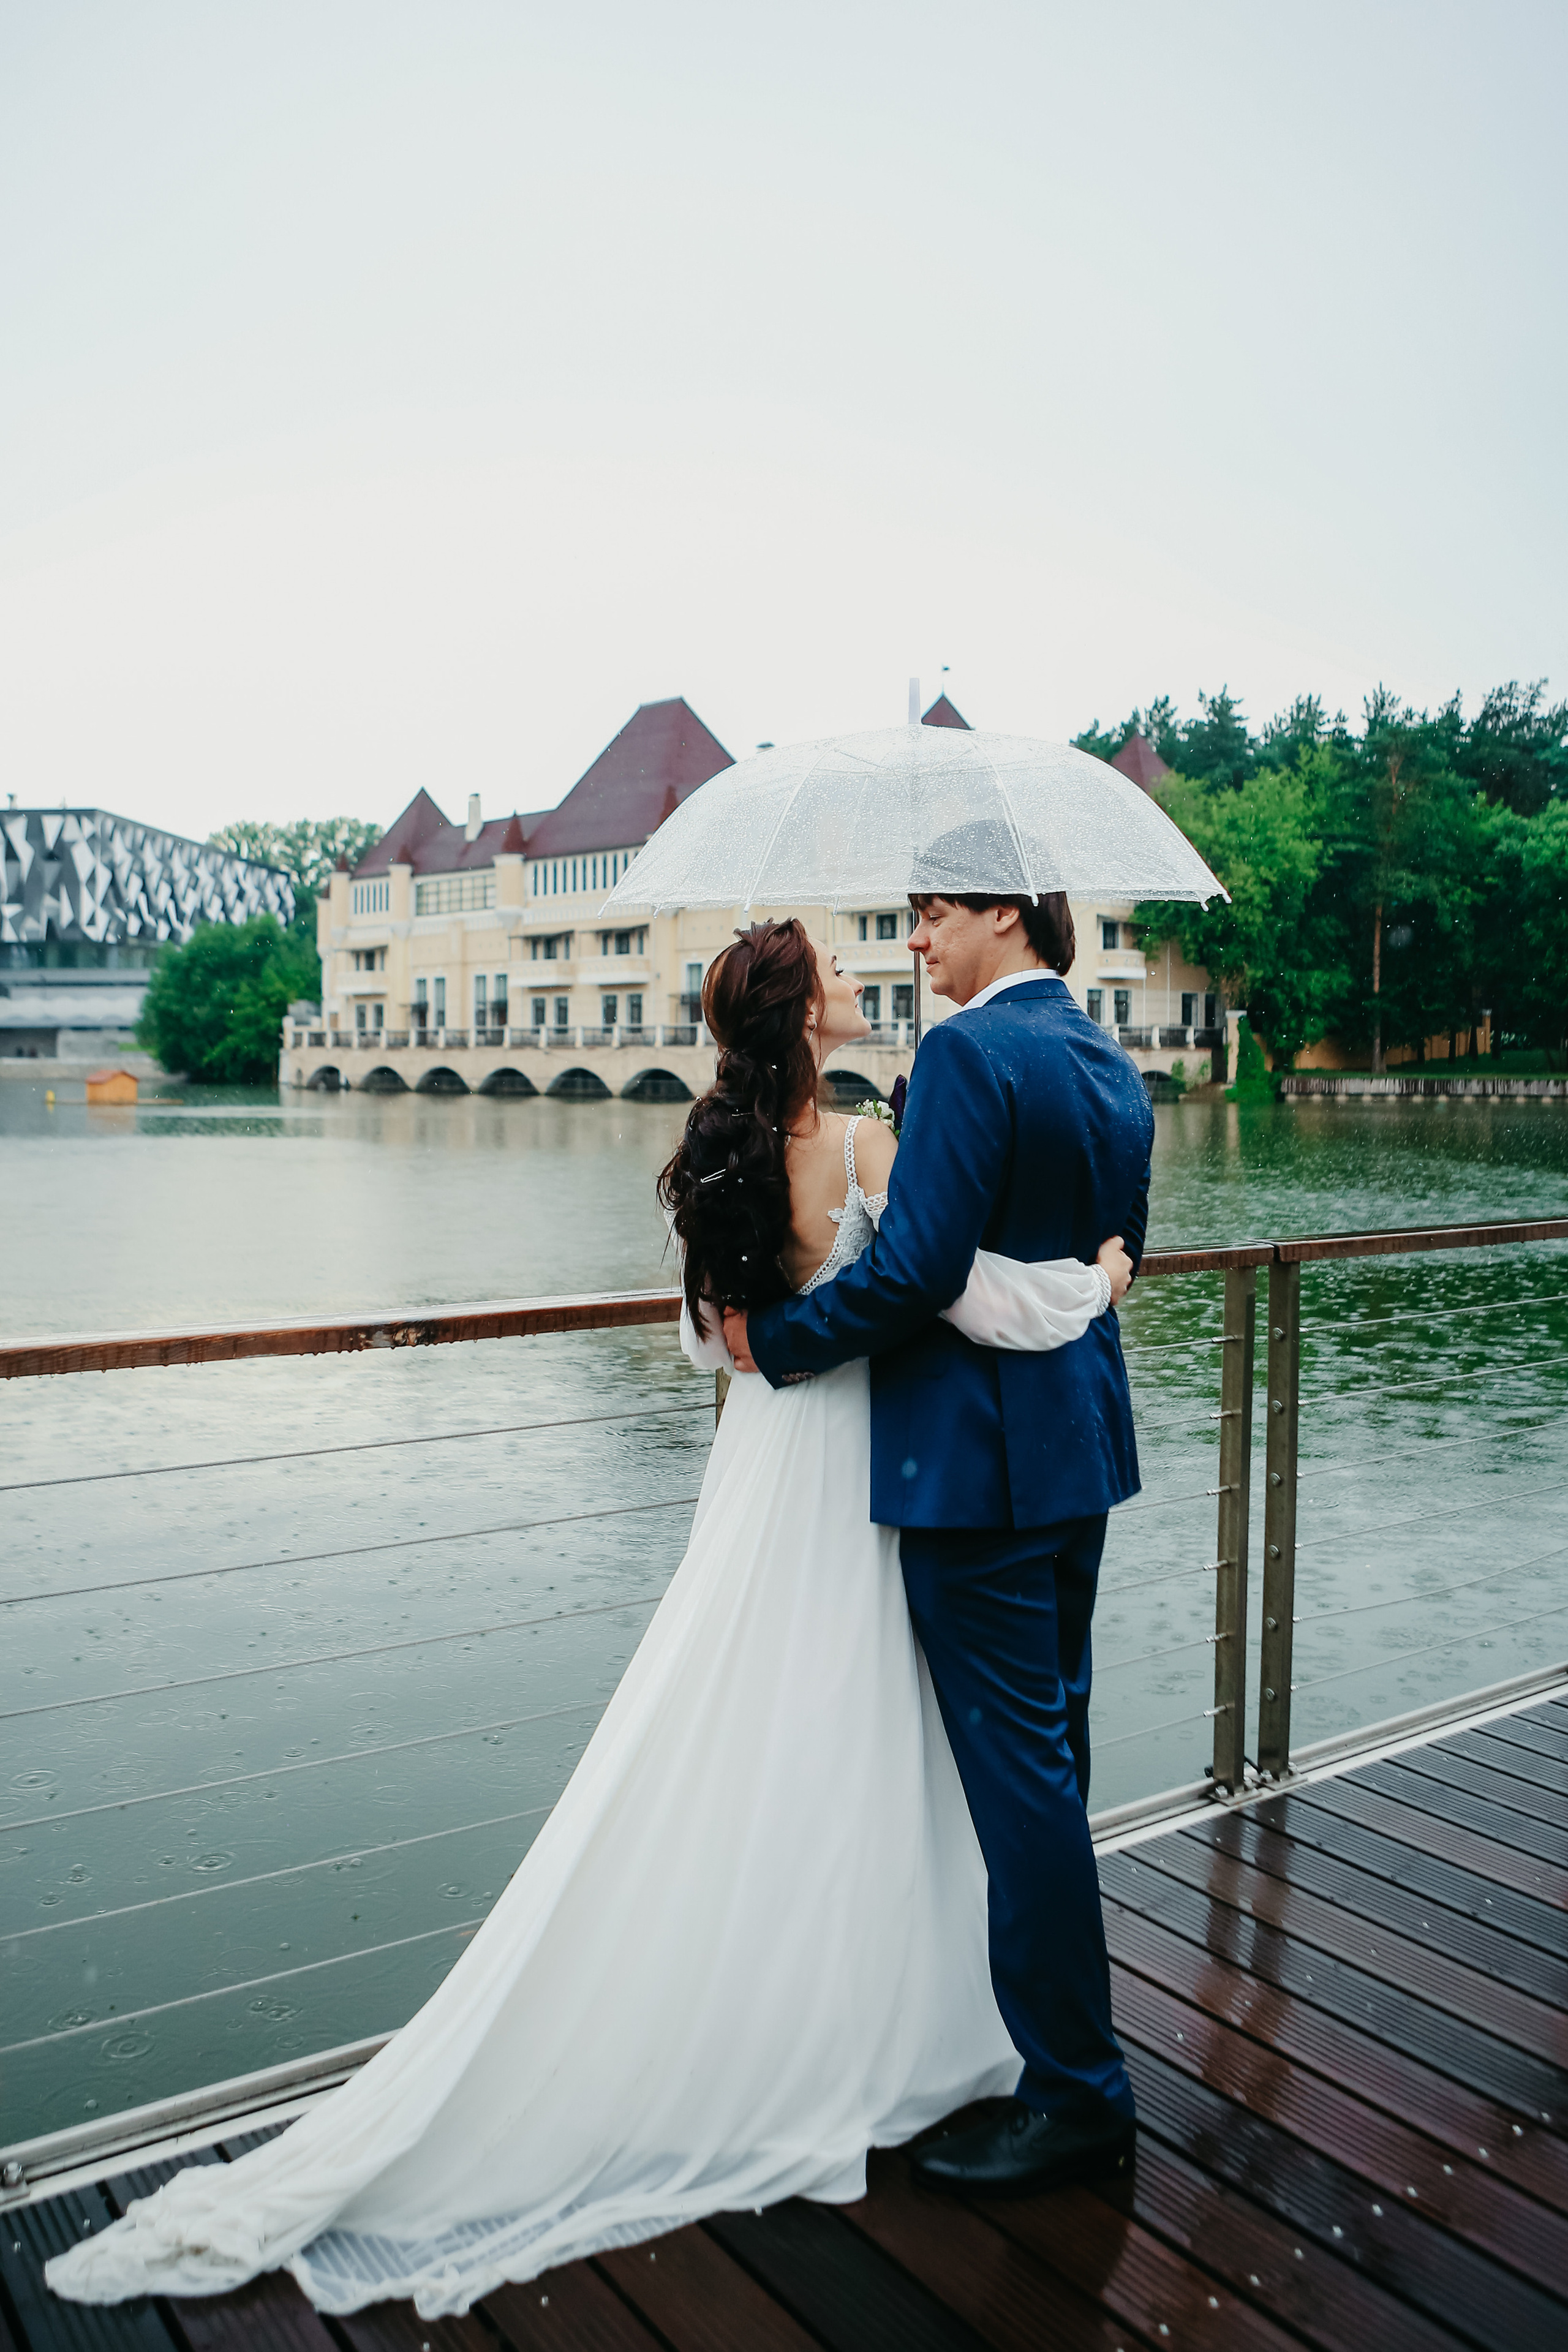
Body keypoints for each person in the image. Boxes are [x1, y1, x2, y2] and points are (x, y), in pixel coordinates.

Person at [48, 919, 1131, 2321]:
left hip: (773, 1466)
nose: (886, 958)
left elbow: (705, 1336)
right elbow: (964, 1296)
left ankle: (827, 2008)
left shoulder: (729, 1144)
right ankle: (918, 2018)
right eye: (846, 969)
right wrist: (1096, 1285)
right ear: (808, 1014)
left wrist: (760, 1345)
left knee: (756, 1725)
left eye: (913, 928)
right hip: (899, 1462)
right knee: (890, 1746)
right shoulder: (903, 1127)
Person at [726, 888, 1153, 2198]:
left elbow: (914, 1267)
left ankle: (1075, 2091)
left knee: (1018, 1781)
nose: (915, 941)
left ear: (1008, 921)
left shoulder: (967, 1052)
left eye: (934, 916)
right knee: (1053, 1760)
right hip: (1076, 1452)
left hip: (973, 1471)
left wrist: (775, 1347)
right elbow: (1110, 1246)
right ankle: (1040, 2048)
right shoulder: (1102, 1058)